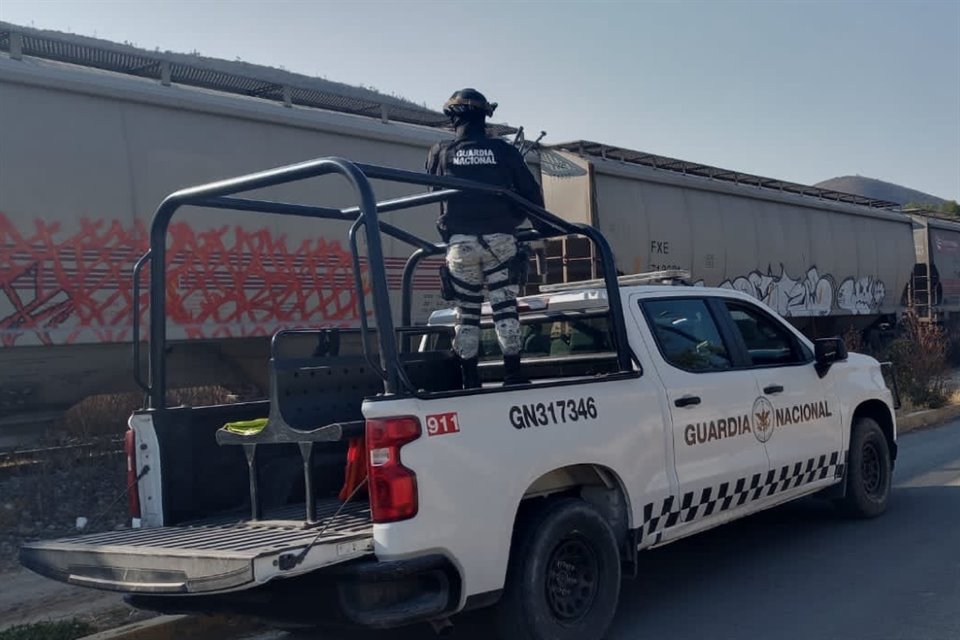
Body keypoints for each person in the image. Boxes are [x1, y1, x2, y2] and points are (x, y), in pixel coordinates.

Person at [426, 88, 544, 388]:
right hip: (500, 241)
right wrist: (544, 227)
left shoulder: (440, 150)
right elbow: (531, 195)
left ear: (453, 118)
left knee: (466, 314)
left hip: (460, 244)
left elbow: (433, 193)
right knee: (505, 308)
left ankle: (470, 380)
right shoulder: (505, 151)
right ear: (485, 117)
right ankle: (513, 375)